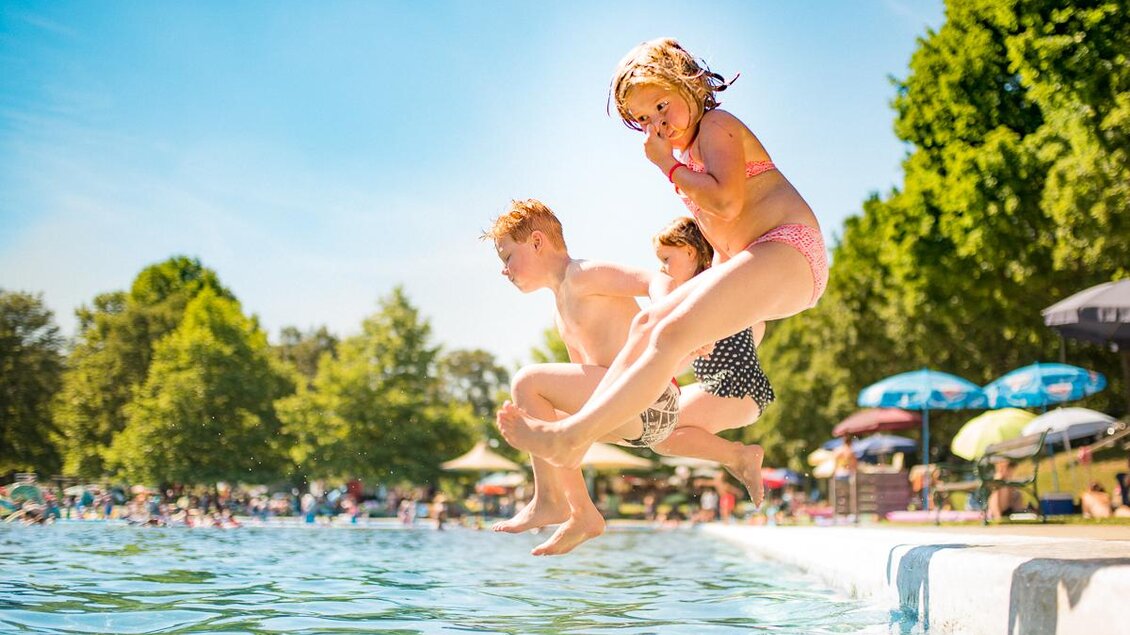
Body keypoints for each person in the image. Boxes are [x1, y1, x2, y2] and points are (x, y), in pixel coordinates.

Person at [496, 38, 826, 480]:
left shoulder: (716, 126)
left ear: (688, 85)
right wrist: (713, 316)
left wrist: (666, 166)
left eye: (661, 106)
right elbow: (727, 249)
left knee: (668, 329)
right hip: (761, 259)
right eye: (643, 119)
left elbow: (728, 204)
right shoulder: (689, 158)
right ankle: (581, 433)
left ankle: (573, 435)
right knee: (649, 324)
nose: (657, 124)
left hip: (791, 246)